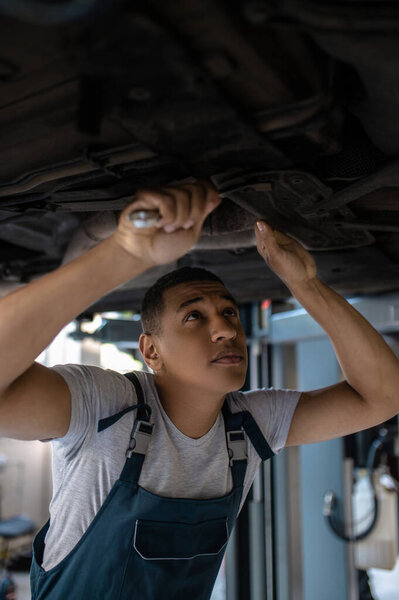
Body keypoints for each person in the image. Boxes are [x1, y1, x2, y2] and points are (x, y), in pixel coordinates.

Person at [0, 181, 398, 600]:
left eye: (228, 312)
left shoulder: (248, 426)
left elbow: (382, 396)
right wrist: (125, 254)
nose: (227, 329)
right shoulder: (106, 406)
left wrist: (307, 286)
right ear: (151, 351)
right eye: (195, 316)